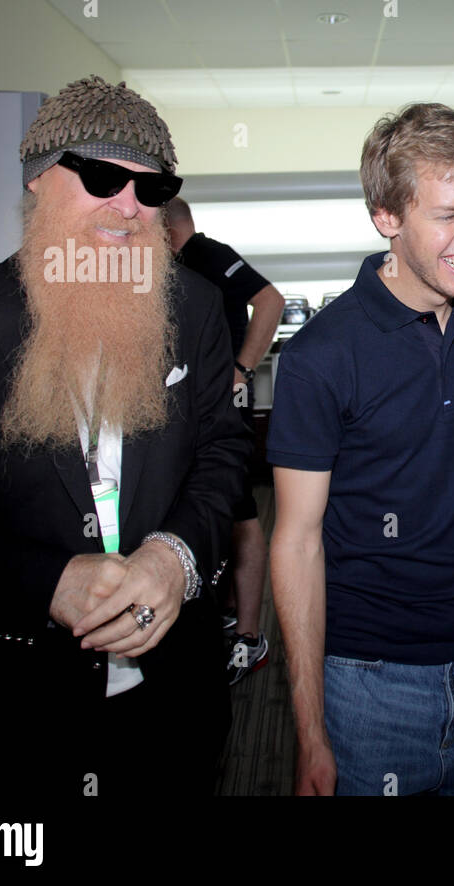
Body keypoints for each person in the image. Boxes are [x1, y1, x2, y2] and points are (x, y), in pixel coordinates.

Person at [0, 76, 250, 797]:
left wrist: (173, 558)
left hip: (173, 708)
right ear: (36, 181)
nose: (129, 207)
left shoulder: (197, 308)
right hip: (12, 722)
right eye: (103, 176)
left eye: (151, 191)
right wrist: (48, 580)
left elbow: (224, 452)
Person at [267, 103, 454, 795]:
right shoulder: (320, 356)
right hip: (371, 683)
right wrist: (310, 734)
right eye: (449, 214)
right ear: (386, 217)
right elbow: (295, 543)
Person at [167, 196, 285, 685]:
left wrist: (240, 369)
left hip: (224, 407)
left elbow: (271, 301)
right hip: (191, 408)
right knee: (212, 508)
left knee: (241, 513)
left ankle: (251, 636)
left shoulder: (206, 253)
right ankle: (232, 607)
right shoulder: (171, 269)